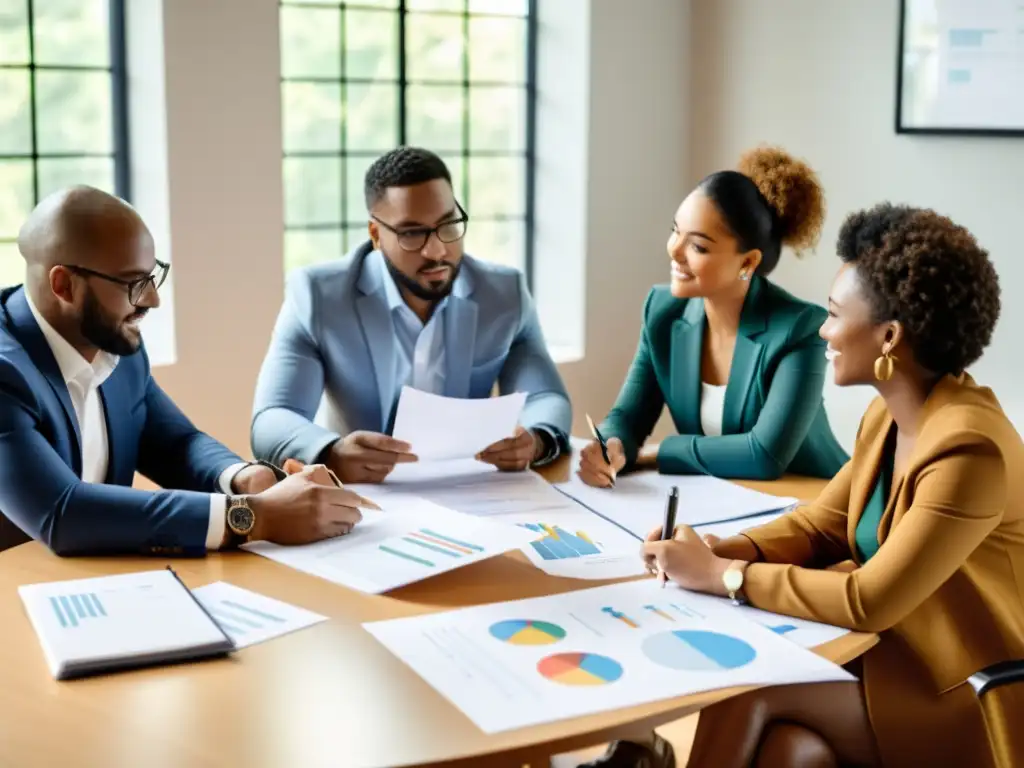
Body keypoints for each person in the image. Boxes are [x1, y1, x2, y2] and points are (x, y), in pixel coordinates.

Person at [622, 204, 1023, 767]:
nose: (822, 329)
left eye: (834, 314)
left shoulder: (970, 452)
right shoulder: (888, 416)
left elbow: (868, 600)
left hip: (963, 692)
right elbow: (823, 524)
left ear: (889, 336)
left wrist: (723, 577)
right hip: (888, 661)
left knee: (749, 690)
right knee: (790, 752)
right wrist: (720, 550)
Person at [0, 186, 364, 556]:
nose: (152, 299)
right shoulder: (5, 372)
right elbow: (63, 513)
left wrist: (245, 479)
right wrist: (254, 516)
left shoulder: (116, 345)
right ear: (64, 285)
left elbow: (176, 444)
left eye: (152, 276)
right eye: (133, 283)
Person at [251, 146, 572, 483]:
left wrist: (535, 440)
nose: (436, 251)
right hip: (363, 499)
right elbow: (273, 417)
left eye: (448, 225)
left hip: (472, 491)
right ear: (376, 234)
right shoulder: (318, 296)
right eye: (412, 233)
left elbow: (546, 397)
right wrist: (331, 451)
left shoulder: (504, 294)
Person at [578, 146, 848, 487]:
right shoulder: (663, 312)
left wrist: (659, 453)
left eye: (698, 246)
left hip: (812, 502)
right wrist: (612, 446)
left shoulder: (800, 328)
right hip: (722, 499)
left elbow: (764, 455)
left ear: (747, 263)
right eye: (675, 230)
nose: (674, 250)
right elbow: (627, 417)